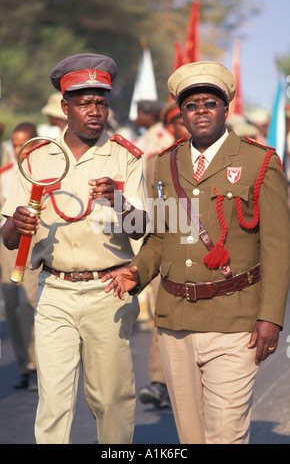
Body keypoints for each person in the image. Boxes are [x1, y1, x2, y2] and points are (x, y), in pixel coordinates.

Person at [101, 61, 290, 444]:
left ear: (225, 108)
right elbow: (159, 236)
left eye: (209, 102)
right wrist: (136, 271)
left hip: (236, 319)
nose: (200, 110)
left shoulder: (260, 161)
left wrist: (271, 317)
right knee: (191, 436)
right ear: (180, 113)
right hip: (176, 320)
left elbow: (277, 246)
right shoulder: (162, 165)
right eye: (191, 105)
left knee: (226, 433)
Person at [1, 53, 147, 444]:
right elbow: (9, 237)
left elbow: (145, 226)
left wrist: (117, 200)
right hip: (54, 291)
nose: (95, 110)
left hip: (108, 292)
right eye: (84, 103)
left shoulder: (126, 157)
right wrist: (18, 221)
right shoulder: (37, 157)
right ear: (66, 107)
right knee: (53, 403)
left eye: (101, 101)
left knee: (111, 398)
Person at [138, 102, 191, 409]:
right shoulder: (154, 163)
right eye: (178, 122)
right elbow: (148, 215)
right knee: (164, 317)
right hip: (166, 250)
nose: (184, 126)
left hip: (208, 258)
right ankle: (159, 382)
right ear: (171, 127)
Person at [0, 122, 40, 390]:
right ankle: (25, 364)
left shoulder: (41, 172)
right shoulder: (4, 175)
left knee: (30, 306)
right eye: (14, 144)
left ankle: (38, 365)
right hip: (8, 244)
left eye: (23, 143)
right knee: (12, 308)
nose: (18, 150)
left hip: (35, 243)